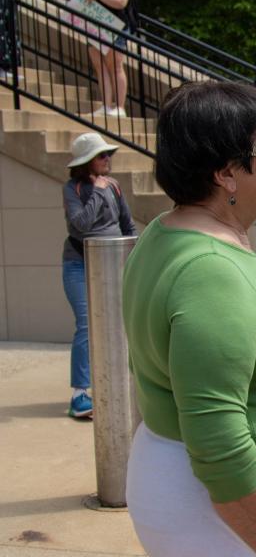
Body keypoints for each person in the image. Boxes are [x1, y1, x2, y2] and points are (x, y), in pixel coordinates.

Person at [123, 82, 256, 556]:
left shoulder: (168, 231)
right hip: (226, 514)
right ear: (226, 174)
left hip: (204, 496)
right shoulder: (210, 270)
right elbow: (216, 431)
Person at [62, 132, 136, 419]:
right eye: (101, 155)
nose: (107, 160)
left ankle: (118, 386)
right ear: (86, 162)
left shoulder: (114, 186)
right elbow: (79, 226)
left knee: (122, 323)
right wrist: (98, 192)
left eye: (108, 154)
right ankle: (80, 394)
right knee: (86, 324)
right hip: (80, 264)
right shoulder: (73, 188)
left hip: (115, 262)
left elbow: (127, 225)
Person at [64, 0, 132, 117]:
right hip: (96, 26)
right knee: (100, 67)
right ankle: (107, 105)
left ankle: (120, 107)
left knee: (115, 66)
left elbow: (121, 1)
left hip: (114, 26)